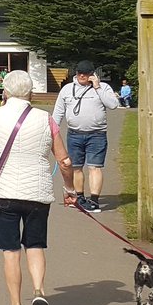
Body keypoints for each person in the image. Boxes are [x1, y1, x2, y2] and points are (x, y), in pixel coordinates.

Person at [0, 70, 77, 305]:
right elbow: (64, 161)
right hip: (38, 192)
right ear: (30, 93)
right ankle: (39, 292)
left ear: (6, 92)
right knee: (35, 245)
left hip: (5, 192)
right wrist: (70, 190)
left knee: (10, 250)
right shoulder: (46, 119)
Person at [52, 60, 119, 213]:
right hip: (74, 134)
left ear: (92, 74)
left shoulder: (103, 88)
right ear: (76, 73)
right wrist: (52, 131)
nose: (82, 75)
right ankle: (80, 198)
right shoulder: (67, 89)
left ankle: (94, 201)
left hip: (97, 134)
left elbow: (113, 104)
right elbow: (58, 112)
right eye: (80, 72)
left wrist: (97, 87)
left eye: (86, 73)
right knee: (75, 168)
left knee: (94, 167)